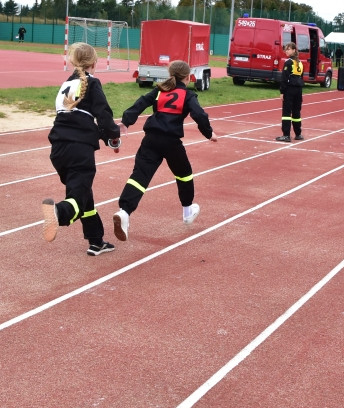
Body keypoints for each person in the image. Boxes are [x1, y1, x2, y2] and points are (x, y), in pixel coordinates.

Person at [111, 60, 217, 242]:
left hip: (151, 140)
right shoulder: (188, 95)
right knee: (184, 175)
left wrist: (126, 122)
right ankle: (187, 210)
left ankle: (124, 211)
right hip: (171, 142)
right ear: (188, 77)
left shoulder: (160, 90)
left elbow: (141, 102)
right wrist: (209, 133)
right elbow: (199, 114)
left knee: (140, 176)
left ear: (170, 74)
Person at [41, 42, 122, 256]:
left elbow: (77, 117)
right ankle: (59, 212)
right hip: (79, 151)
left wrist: (105, 135)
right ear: (94, 63)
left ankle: (96, 241)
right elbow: (103, 114)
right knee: (77, 198)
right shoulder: (92, 83)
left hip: (58, 149)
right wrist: (114, 136)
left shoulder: (64, 85)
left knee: (84, 194)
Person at [276, 42, 305, 142]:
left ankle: (286, 135)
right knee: (296, 112)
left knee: (286, 112)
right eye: (286, 49)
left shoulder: (288, 62)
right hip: (298, 90)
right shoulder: (300, 63)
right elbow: (301, 77)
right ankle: (298, 133)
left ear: (293, 50)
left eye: (288, 49)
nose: (286, 51)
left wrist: (282, 92)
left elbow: (284, 78)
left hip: (290, 90)